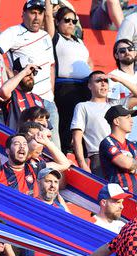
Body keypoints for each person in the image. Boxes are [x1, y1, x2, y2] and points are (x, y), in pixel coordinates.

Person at [0, 0, 58, 146]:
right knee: (29, 144)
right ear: (23, 14)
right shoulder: (13, 32)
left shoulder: (46, 36)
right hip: (27, 99)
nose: (37, 17)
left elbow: (51, 66)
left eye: (40, 13)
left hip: (48, 100)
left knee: (54, 147)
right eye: (32, 13)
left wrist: (52, 94)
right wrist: (10, 74)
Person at [53, 6, 92, 154]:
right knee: (68, 123)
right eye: (67, 20)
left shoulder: (79, 41)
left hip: (85, 86)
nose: (71, 23)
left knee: (86, 124)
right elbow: (48, 21)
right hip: (66, 86)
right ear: (57, 22)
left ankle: (86, 153)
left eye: (74, 21)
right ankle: (66, 152)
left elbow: (87, 60)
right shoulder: (55, 37)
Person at [72, 71, 127, 176]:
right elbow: (77, 137)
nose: (103, 83)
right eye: (98, 81)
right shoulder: (83, 106)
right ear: (89, 85)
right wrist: (82, 163)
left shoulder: (115, 104)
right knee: (105, 191)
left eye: (106, 81)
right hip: (99, 157)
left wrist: (120, 80)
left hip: (123, 155)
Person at [0, 58, 46, 134]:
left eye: (34, 72)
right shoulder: (13, 94)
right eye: (28, 72)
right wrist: (24, 72)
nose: (31, 76)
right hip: (17, 141)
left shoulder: (38, 99)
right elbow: (3, 91)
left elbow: (46, 126)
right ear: (16, 73)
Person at [100, 105, 137, 193]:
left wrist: (133, 165)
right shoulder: (107, 142)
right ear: (116, 121)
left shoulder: (132, 145)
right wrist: (131, 165)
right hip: (119, 197)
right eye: (127, 117)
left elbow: (130, 164)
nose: (132, 121)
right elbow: (126, 163)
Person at [109, 39, 137, 143]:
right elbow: (113, 107)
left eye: (130, 49)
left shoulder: (118, 78)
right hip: (126, 134)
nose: (127, 52)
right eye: (122, 51)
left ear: (135, 52)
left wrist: (121, 80)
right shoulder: (112, 76)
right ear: (116, 55)